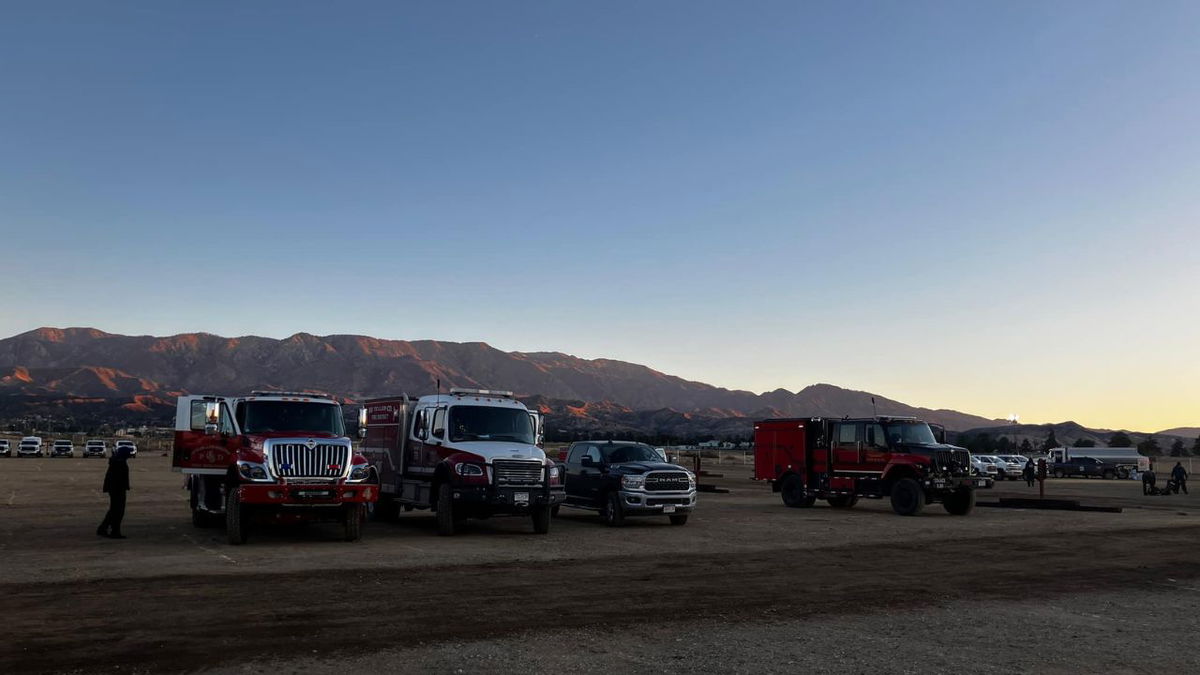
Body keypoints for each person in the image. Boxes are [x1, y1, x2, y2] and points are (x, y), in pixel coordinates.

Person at [97, 446, 132, 539]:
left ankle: (104, 528)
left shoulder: (117, 461)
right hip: (117, 490)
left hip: (116, 489)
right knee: (117, 511)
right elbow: (117, 478)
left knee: (114, 510)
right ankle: (114, 531)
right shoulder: (119, 463)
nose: (129, 455)